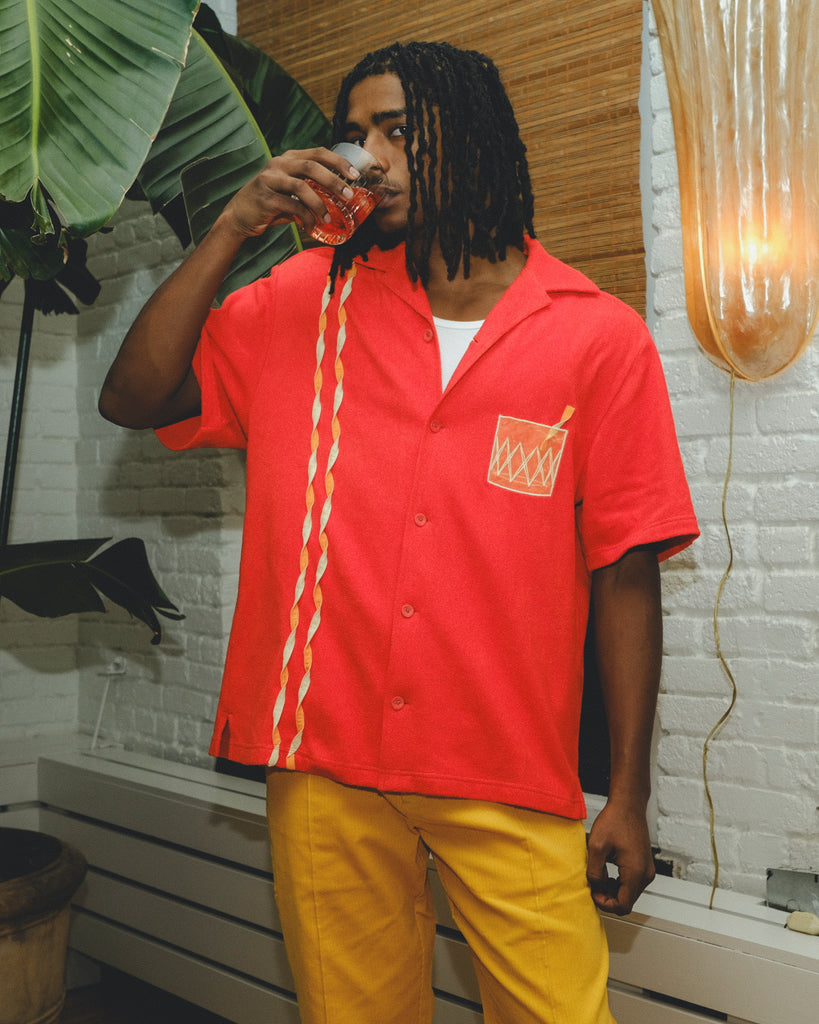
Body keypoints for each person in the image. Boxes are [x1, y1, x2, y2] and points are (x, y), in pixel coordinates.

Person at [100, 41, 698, 1024]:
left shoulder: (595, 334)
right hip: (325, 759)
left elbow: (626, 570)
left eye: (399, 130)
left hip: (502, 763)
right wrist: (233, 227)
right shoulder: (301, 303)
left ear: (475, 141)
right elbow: (135, 396)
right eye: (356, 132)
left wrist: (627, 792)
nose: (368, 155)